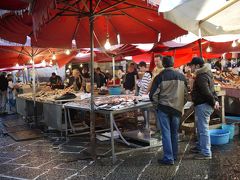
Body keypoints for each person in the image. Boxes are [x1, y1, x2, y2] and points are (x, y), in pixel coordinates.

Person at [149, 56, 188, 165]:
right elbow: (186, 95)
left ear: (164, 64)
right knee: (174, 132)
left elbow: (152, 95)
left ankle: (168, 157)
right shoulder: (181, 77)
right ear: (173, 63)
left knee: (166, 133)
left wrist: (157, 106)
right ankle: (174, 155)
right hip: (176, 109)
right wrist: (180, 105)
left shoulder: (159, 77)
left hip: (163, 108)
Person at [189, 57, 220, 160]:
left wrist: (214, 101)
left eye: (191, 65)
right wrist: (215, 100)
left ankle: (206, 152)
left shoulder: (201, 76)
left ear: (197, 66)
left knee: (203, 129)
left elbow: (206, 92)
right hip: (204, 104)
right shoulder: (205, 74)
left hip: (204, 105)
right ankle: (200, 147)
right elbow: (212, 90)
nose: (190, 67)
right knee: (200, 128)